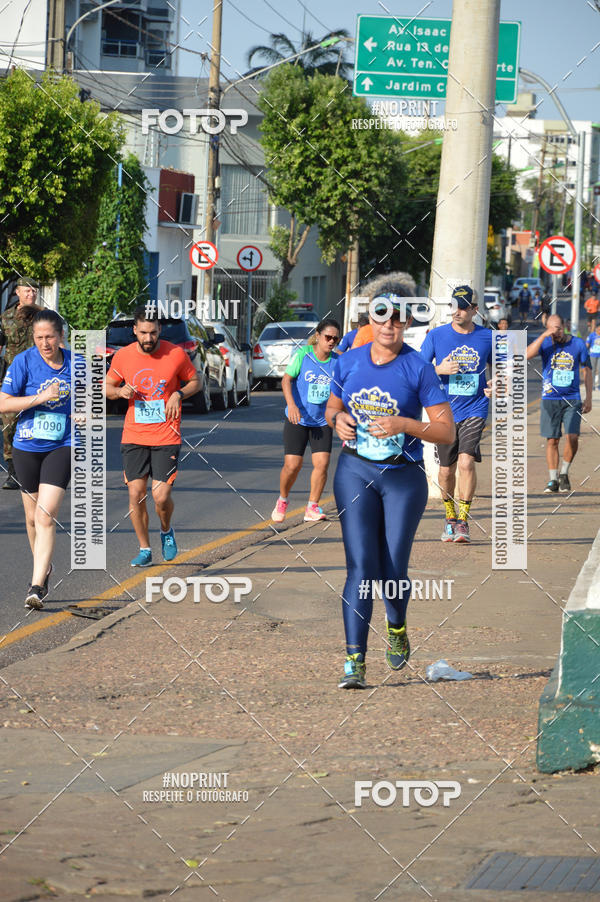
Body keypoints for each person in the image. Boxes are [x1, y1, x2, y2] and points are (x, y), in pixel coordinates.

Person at [325, 273, 454, 689]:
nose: (389, 325)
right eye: (381, 316)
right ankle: (354, 662)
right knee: (361, 566)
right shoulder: (348, 360)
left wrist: (404, 423)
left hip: (402, 478)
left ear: (406, 323)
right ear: (370, 319)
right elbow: (332, 406)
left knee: (392, 568)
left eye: (398, 318)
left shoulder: (418, 368)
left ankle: (396, 625)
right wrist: (338, 419)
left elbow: (446, 432)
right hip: (355, 470)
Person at [105, 306, 200, 566]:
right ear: (135, 330)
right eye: (144, 332)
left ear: (160, 330)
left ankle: (166, 530)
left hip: (166, 435)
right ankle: (145, 549)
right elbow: (107, 386)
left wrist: (178, 394)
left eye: (154, 332)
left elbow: (195, 381)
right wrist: (120, 392)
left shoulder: (175, 353)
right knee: (136, 494)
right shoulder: (123, 356)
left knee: (160, 496)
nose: (149, 338)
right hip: (134, 434)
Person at [0, 310, 71, 609]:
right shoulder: (23, 361)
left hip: (62, 445)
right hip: (26, 446)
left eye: (50, 337)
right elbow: (3, 404)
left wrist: (88, 414)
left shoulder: (77, 364)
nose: (45, 343)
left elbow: (95, 401)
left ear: (61, 336)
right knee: (31, 518)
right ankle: (44, 567)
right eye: (39, 338)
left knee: (45, 515)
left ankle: (37, 584)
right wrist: (39, 399)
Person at [420, 285, 493, 544]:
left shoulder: (487, 337)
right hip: (444, 411)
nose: (457, 311)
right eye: (454, 305)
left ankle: (463, 522)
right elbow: (418, 370)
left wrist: (497, 383)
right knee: (446, 471)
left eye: (463, 306)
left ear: (474, 310)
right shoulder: (437, 336)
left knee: (466, 463)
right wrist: (439, 368)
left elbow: (503, 367)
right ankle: (449, 517)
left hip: (475, 408)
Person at [271, 318, 341, 524]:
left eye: (335, 339)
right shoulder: (303, 355)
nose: (331, 342)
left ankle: (312, 506)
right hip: (298, 419)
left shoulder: (337, 362)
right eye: (328, 337)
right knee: (293, 465)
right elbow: (286, 380)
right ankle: (283, 499)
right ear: (318, 336)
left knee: (322, 463)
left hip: (322, 421)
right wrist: (291, 405)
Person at [526, 314, 592, 493]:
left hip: (572, 399)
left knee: (572, 437)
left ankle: (564, 472)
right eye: (552, 329)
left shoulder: (577, 344)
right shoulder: (546, 343)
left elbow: (587, 370)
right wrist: (544, 335)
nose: (556, 333)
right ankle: (553, 479)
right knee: (552, 440)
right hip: (549, 399)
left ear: (564, 326)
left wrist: (588, 398)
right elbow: (526, 355)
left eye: (558, 329)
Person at [0, 277, 42, 489]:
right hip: (12, 379)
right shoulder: (5, 317)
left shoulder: (44, 316)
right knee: (8, 425)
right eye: (27, 291)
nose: (31, 294)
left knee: (37, 422)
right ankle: (13, 472)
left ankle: (38, 468)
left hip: (38, 377)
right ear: (17, 292)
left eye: (34, 291)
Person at [586, 324, 600, 389]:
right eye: (599, 329)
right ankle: (592, 385)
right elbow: (587, 343)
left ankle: (599, 385)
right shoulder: (592, 335)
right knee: (593, 370)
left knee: (599, 369)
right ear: (596, 328)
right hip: (593, 355)